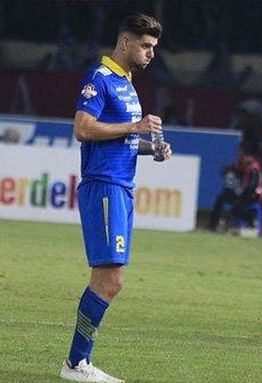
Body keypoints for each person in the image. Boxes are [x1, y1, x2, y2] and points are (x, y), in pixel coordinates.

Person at [61, 14, 170, 383]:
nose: (151, 53)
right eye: (146, 45)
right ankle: (77, 364)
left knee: (110, 278)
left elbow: (120, 138)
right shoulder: (100, 79)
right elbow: (83, 128)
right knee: (110, 279)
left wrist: (148, 148)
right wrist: (136, 127)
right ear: (125, 42)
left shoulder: (127, 84)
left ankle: (78, 363)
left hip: (122, 186)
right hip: (104, 185)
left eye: (154, 47)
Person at [208, 145, 262, 232]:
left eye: (242, 155)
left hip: (253, 196)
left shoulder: (254, 169)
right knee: (221, 198)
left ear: (249, 157)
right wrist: (228, 172)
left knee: (237, 206)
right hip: (241, 194)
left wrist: (241, 192)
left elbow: (252, 187)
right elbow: (228, 171)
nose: (240, 157)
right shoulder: (240, 165)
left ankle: (251, 220)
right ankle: (212, 225)